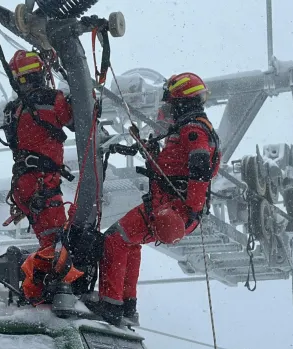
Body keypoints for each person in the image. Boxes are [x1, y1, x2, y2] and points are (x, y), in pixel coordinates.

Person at [84, 72, 221, 325]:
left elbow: (199, 168)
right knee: (130, 242)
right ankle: (126, 306)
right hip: (167, 207)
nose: (167, 108)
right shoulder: (190, 128)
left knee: (115, 238)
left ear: (181, 101)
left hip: (172, 208)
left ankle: (111, 304)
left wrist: (188, 209)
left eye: (170, 102)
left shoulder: (192, 129)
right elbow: (176, 166)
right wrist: (150, 151)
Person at [0, 49, 83, 304]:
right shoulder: (52, 100)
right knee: (55, 244)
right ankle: (41, 295)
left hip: (23, 184)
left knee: (51, 240)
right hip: (42, 183)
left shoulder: (14, 109)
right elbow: (77, 118)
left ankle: (46, 289)